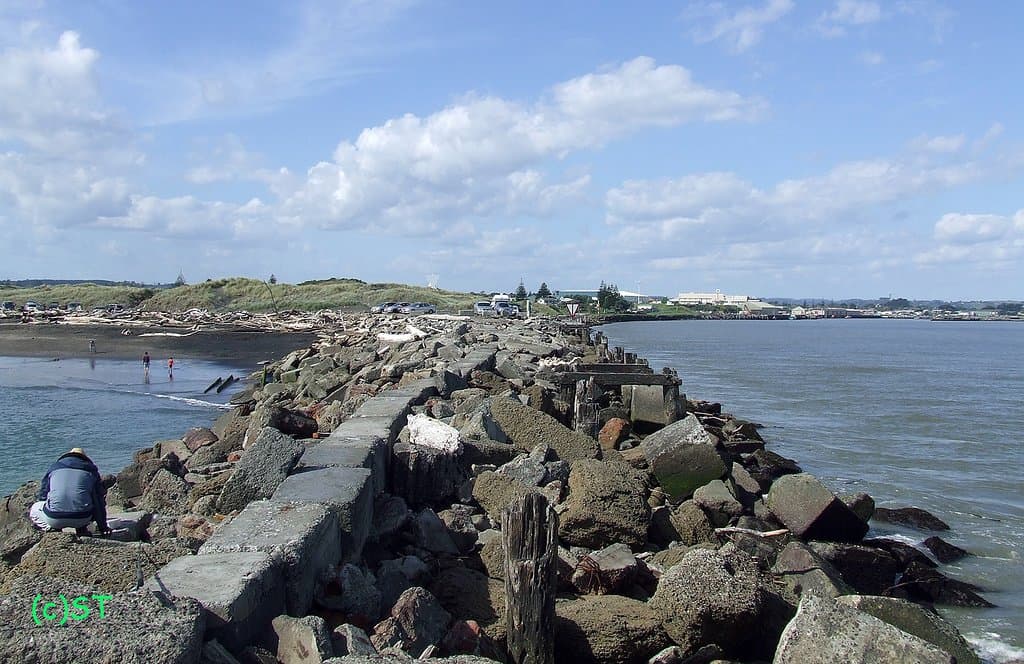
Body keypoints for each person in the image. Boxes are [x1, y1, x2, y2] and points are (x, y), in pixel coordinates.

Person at [29, 448, 110, 535]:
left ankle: (51, 529)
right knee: (87, 500)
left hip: (55, 519)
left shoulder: (54, 467)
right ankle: (81, 529)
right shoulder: (91, 470)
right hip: (82, 519)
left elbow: (43, 495)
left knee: (35, 508)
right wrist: (103, 527)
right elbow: (99, 501)